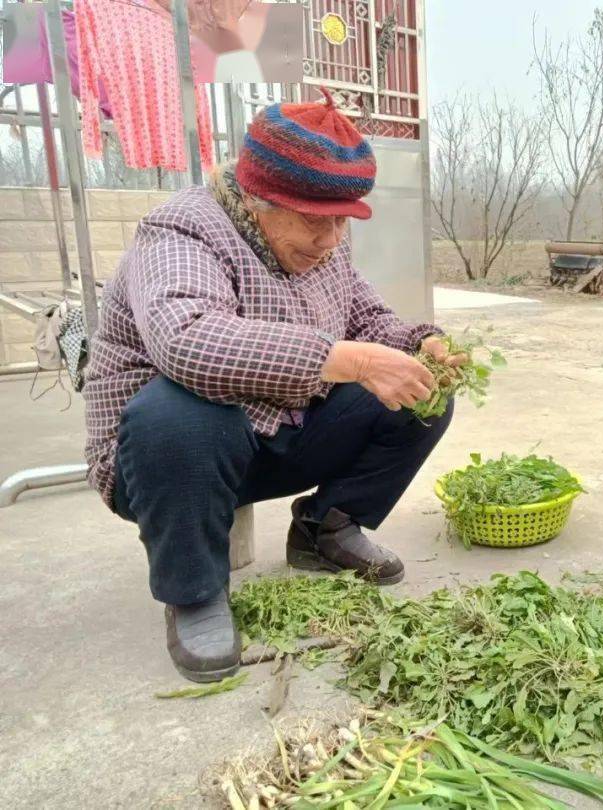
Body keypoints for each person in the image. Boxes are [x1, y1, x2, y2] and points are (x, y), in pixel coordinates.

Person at [83, 89, 459, 682]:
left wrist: (420, 344)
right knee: (182, 408)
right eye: (317, 221)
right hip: (168, 463)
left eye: (343, 220)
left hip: (273, 436)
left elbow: (369, 319)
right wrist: (351, 362)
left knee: (418, 393)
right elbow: (188, 341)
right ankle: (195, 591)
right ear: (261, 200)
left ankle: (325, 528)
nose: (332, 238)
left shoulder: (322, 243)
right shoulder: (183, 231)